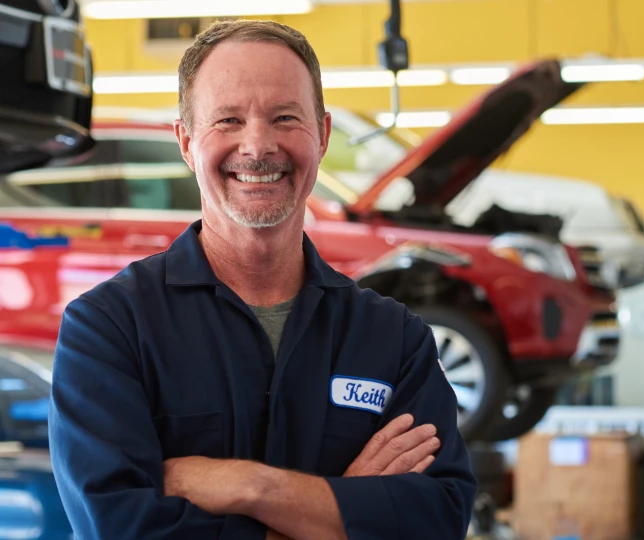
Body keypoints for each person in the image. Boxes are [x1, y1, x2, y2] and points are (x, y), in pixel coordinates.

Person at [48, 19, 476, 540]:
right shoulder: (109, 329)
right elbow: (118, 527)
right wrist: (343, 507)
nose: (258, 145)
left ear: (321, 134)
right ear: (186, 141)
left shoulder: (394, 339)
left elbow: (439, 517)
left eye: (285, 117)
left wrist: (253, 487)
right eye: (227, 119)